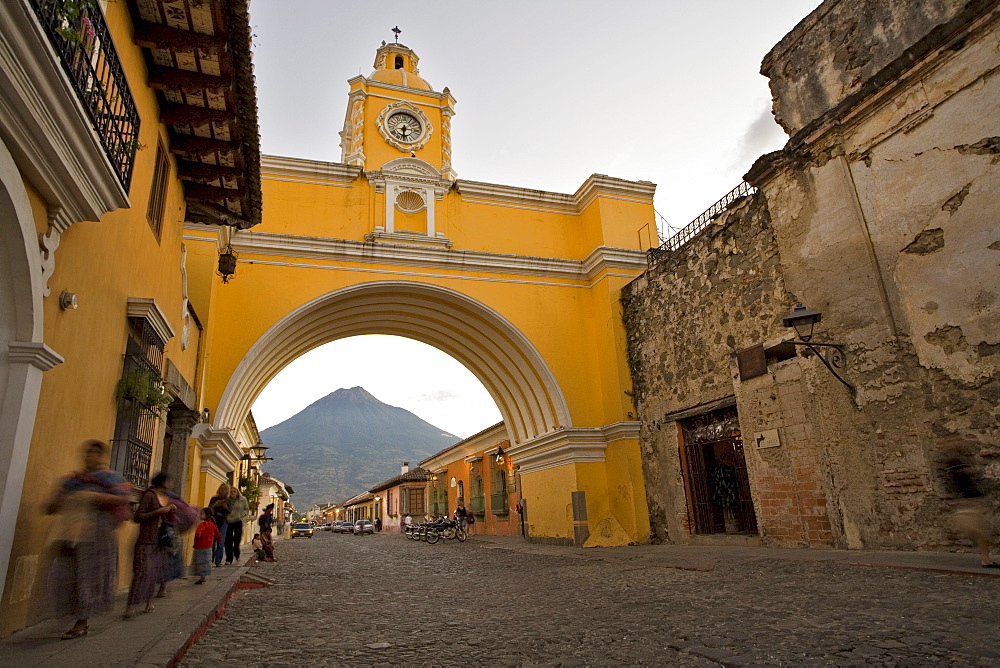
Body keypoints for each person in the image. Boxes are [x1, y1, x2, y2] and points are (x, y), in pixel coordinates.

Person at [45, 440, 133, 640]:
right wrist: (63, 501)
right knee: (65, 574)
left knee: (88, 576)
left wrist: (92, 497)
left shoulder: (110, 478)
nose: (90, 457)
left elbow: (123, 499)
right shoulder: (72, 481)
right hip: (69, 533)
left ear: (102, 457)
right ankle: (71, 613)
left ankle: (81, 621)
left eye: (95, 454)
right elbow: (52, 506)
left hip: (96, 535)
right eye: (88, 453)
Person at [124, 471, 177, 619]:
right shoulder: (149, 495)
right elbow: (138, 516)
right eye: (169, 481)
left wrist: (170, 511)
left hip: (159, 540)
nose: (171, 484)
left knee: (153, 573)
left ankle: (149, 601)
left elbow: (166, 520)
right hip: (146, 540)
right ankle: (130, 606)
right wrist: (159, 511)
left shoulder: (165, 497)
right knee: (141, 573)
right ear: (162, 482)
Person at [192, 508, 220, 584]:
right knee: (206, 562)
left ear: (206, 515)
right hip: (209, 546)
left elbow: (198, 534)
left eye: (202, 514)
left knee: (199, 562)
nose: (200, 515)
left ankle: (201, 577)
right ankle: (203, 577)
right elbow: (218, 535)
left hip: (200, 546)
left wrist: (196, 539)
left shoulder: (203, 524)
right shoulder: (213, 525)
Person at [224, 486, 249, 565]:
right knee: (228, 540)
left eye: (234, 491)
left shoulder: (242, 499)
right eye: (231, 491)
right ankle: (229, 558)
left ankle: (236, 553)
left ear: (237, 492)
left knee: (237, 539)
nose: (232, 493)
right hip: (228, 521)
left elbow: (246, 509)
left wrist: (244, 514)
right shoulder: (227, 500)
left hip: (238, 520)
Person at [207, 483, 230, 567]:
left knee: (220, 541)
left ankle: (218, 561)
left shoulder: (228, 501)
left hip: (224, 521)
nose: (223, 491)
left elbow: (231, 512)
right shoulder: (214, 499)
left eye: (225, 489)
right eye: (222, 489)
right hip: (214, 521)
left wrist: (225, 507)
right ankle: (211, 559)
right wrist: (215, 505)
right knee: (212, 541)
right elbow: (209, 509)